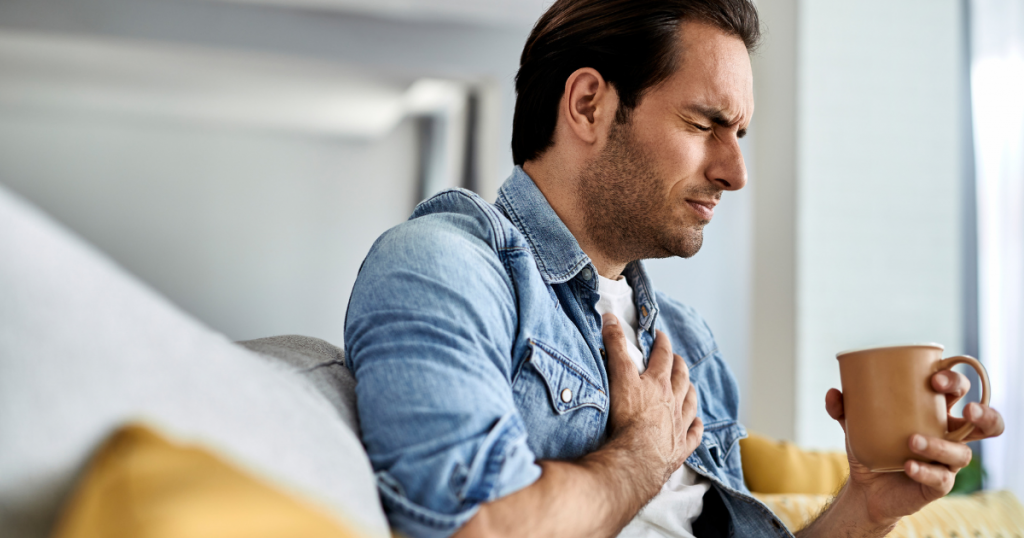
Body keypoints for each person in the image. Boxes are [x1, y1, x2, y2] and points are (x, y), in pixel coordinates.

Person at [344, 1, 1006, 537]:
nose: (734, 172)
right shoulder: (444, 267)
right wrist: (637, 461)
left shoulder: (688, 345)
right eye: (704, 124)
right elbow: (472, 529)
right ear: (587, 106)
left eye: (739, 134)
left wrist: (867, 510)